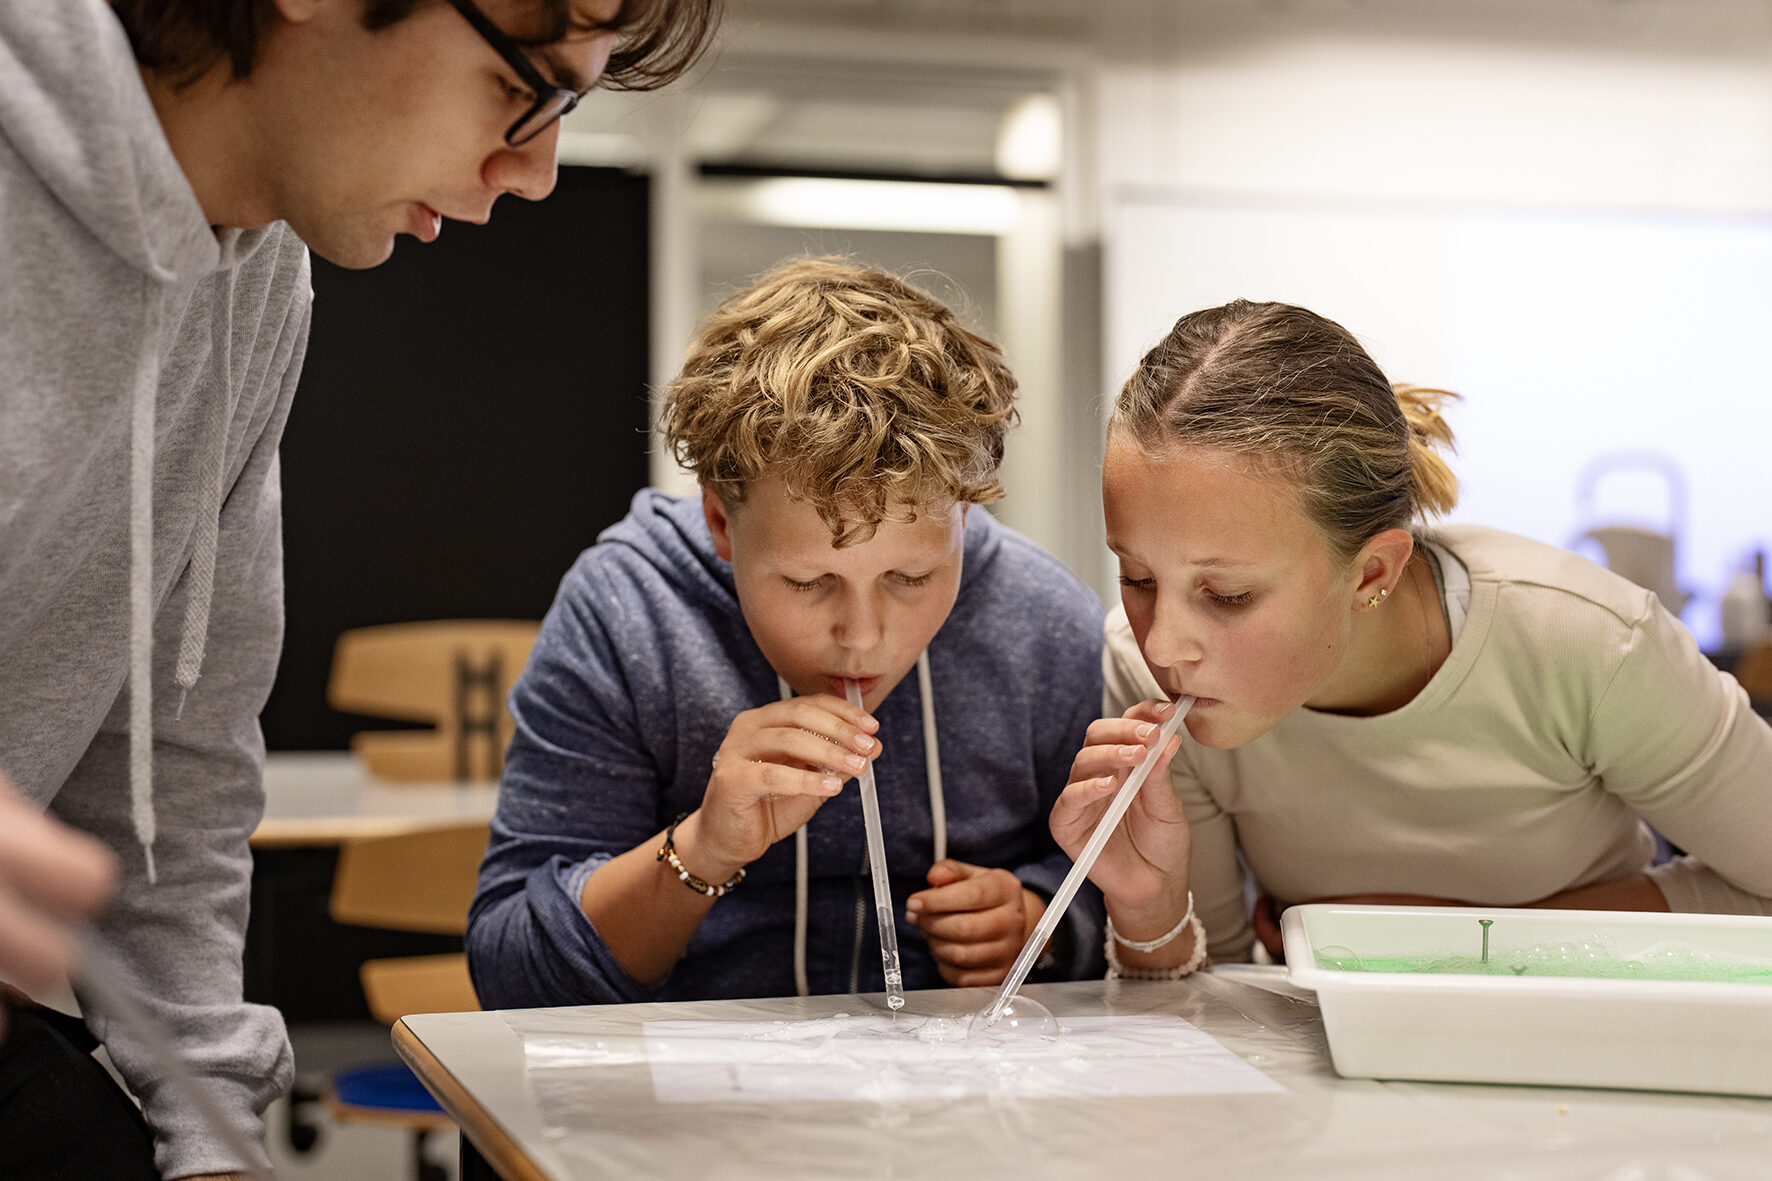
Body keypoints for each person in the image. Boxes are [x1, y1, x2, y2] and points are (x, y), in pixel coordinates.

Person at [0, 0, 720, 1176]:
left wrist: (214, 1139)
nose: (535, 170)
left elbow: (177, 757)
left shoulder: (257, 283)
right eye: (524, 86)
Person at [1055, 298, 1772, 980]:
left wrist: (1449, 945)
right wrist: (1148, 907)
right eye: (1138, 576)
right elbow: (1212, 1003)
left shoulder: (1589, 640)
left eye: (1228, 594)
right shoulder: (1144, 670)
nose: (1165, 645)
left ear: (1372, 572)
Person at [468, 258, 1106, 1007]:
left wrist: (1045, 922)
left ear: (963, 517)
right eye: (809, 583)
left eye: (911, 578)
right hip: (687, 1107)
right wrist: (702, 848)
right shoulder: (627, 612)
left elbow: (1143, 895)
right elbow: (512, 974)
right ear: (719, 522)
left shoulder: (1046, 623)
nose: (862, 637)